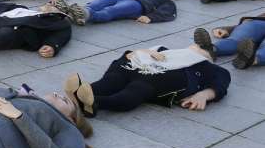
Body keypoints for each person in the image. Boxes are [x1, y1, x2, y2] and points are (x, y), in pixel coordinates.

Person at [71, 44, 229, 114]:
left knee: (134, 92)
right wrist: (145, 52)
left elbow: (223, 79)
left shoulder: (206, 66)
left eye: (201, 49)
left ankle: (92, 102)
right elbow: (132, 54)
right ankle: (79, 95)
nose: (196, 48)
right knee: (111, 81)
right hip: (135, 67)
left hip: (156, 79)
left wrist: (204, 94)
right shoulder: (166, 50)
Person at [195, 17, 265, 68]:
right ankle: (210, 49)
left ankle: (250, 59)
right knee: (238, 38)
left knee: (261, 51)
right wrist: (227, 29)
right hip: (261, 21)